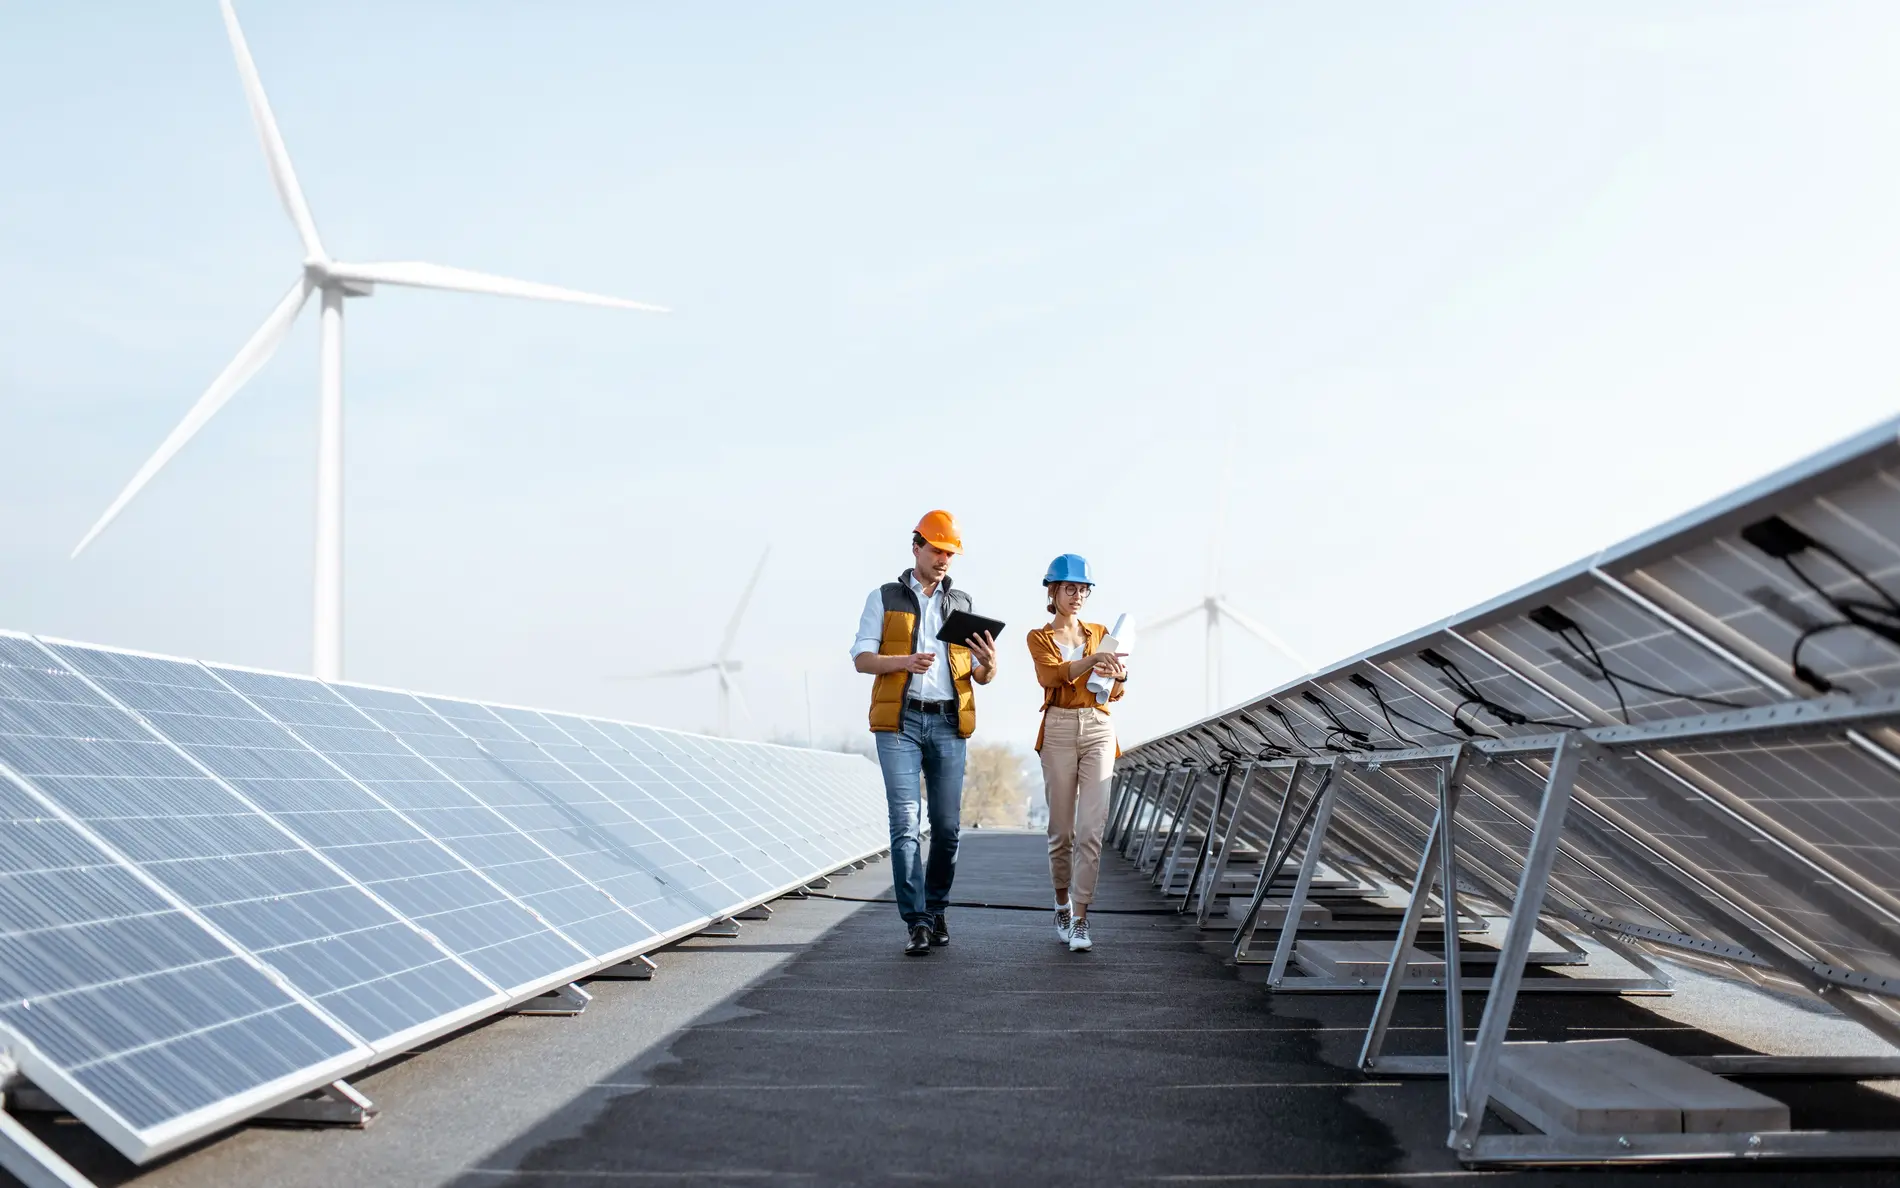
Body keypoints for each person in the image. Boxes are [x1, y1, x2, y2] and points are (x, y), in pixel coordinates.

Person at [851, 510, 998, 956]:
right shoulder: (884, 597)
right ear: (916, 547)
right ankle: (914, 920)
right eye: (937, 550)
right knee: (906, 825)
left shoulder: (963, 604)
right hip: (900, 722)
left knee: (949, 828)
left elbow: (977, 673)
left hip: (950, 722)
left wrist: (989, 666)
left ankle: (936, 910)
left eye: (950, 553)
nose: (944, 559)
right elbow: (861, 658)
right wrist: (904, 662)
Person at [1025, 554, 1126, 953]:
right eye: (1070, 588)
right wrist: (1092, 660)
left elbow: (1114, 691)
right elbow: (1051, 676)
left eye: (1083, 589)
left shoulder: (1100, 633)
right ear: (1053, 591)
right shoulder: (1039, 637)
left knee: (1091, 831)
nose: (1078, 595)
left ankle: (1082, 919)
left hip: (1099, 726)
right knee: (1062, 832)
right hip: (1059, 728)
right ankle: (1062, 902)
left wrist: (1117, 676)